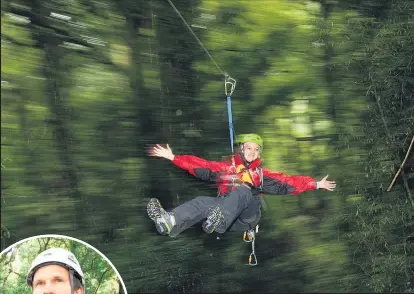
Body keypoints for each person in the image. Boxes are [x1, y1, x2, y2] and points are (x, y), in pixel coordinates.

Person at [147, 133, 336, 237]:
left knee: (243, 190)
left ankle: (219, 219)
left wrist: (317, 184)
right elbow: (201, 166)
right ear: (242, 149)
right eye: (249, 148)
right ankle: (170, 221)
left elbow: (289, 182)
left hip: (247, 216)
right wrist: (173, 157)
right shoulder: (225, 169)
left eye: (256, 150)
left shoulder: (261, 175)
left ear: (259, 154)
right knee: (202, 201)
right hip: (225, 215)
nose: (252, 152)